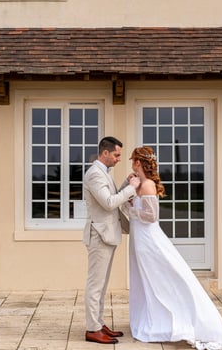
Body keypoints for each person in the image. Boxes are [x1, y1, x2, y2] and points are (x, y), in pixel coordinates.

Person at [121, 146, 222, 350]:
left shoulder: (147, 185)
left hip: (148, 240)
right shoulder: (139, 183)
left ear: (139, 162)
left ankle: (180, 320)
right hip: (139, 239)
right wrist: (130, 189)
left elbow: (152, 217)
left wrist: (130, 208)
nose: (131, 163)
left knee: (161, 278)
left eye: (132, 160)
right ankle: (152, 318)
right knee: (145, 280)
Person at [83, 136, 140, 344]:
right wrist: (132, 188)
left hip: (107, 234)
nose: (118, 159)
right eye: (116, 155)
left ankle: (98, 323)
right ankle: (92, 329)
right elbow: (108, 203)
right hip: (100, 235)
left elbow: (113, 194)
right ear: (105, 153)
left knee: (102, 283)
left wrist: (126, 182)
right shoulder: (94, 174)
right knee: (95, 284)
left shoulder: (103, 173)